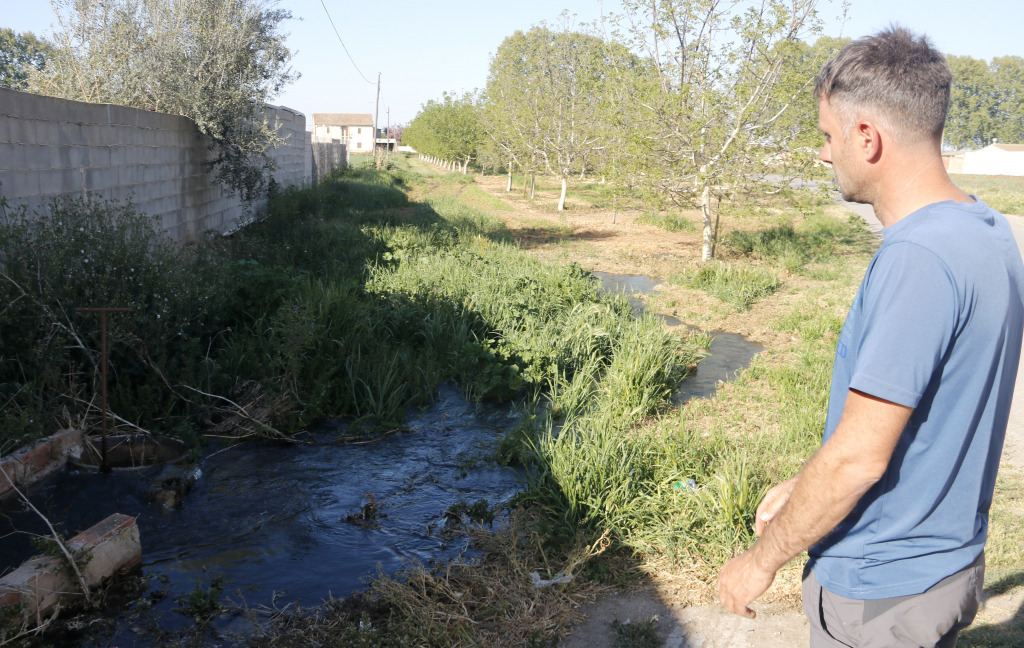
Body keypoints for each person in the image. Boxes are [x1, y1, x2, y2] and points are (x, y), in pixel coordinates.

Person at [716, 26, 1024, 647]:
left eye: (828, 137)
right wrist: (806, 487)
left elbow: (860, 457)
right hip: (942, 567)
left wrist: (759, 563)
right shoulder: (986, 232)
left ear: (867, 137)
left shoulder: (919, 259)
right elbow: (923, 419)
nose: (824, 154)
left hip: (880, 590)